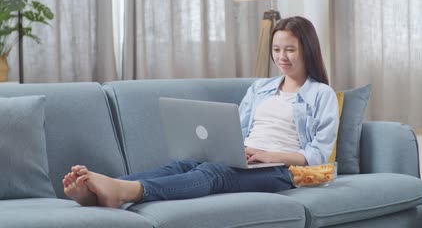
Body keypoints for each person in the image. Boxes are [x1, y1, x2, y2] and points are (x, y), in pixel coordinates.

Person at [62, 16, 339, 208]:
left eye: (290, 49)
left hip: (283, 171)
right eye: (277, 49)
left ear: (307, 49)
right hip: (247, 156)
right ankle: (100, 189)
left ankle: (125, 192)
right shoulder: (261, 88)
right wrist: (228, 148)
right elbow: (237, 130)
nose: (282, 57)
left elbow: (318, 155)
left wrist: (269, 156)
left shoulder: (321, 94)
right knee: (182, 165)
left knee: (214, 174)